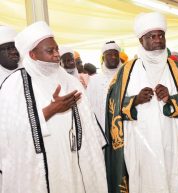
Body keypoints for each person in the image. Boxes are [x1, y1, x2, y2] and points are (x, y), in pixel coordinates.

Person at [105, 12, 178, 193]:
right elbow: (113, 108)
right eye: (152, 36)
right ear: (141, 40)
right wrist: (134, 100)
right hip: (139, 141)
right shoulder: (126, 72)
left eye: (161, 35)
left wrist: (170, 99)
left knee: (173, 177)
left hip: (172, 139)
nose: (158, 40)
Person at [0, 21, 108, 193]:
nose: (57, 55)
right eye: (50, 51)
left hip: (74, 162)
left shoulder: (71, 81)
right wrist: (50, 110)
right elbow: (7, 135)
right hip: (39, 168)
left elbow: (89, 126)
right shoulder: (14, 85)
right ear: (32, 54)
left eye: (56, 49)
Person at [87, 41, 121, 128]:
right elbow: (89, 104)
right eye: (109, 55)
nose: (113, 57)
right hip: (101, 124)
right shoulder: (94, 80)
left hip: (122, 123)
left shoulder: (126, 77)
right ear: (103, 58)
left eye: (116, 54)